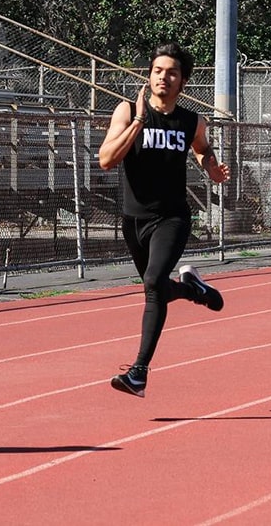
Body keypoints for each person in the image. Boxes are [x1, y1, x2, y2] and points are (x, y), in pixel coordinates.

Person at [97, 42, 230, 397]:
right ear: (150, 75)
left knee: (155, 281)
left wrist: (211, 168)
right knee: (155, 288)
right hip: (134, 220)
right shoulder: (127, 111)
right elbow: (106, 159)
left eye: (171, 73)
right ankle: (191, 289)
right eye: (157, 71)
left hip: (172, 217)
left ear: (182, 81)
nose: (163, 78)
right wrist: (140, 120)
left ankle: (138, 372)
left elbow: (201, 147)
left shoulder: (190, 121)